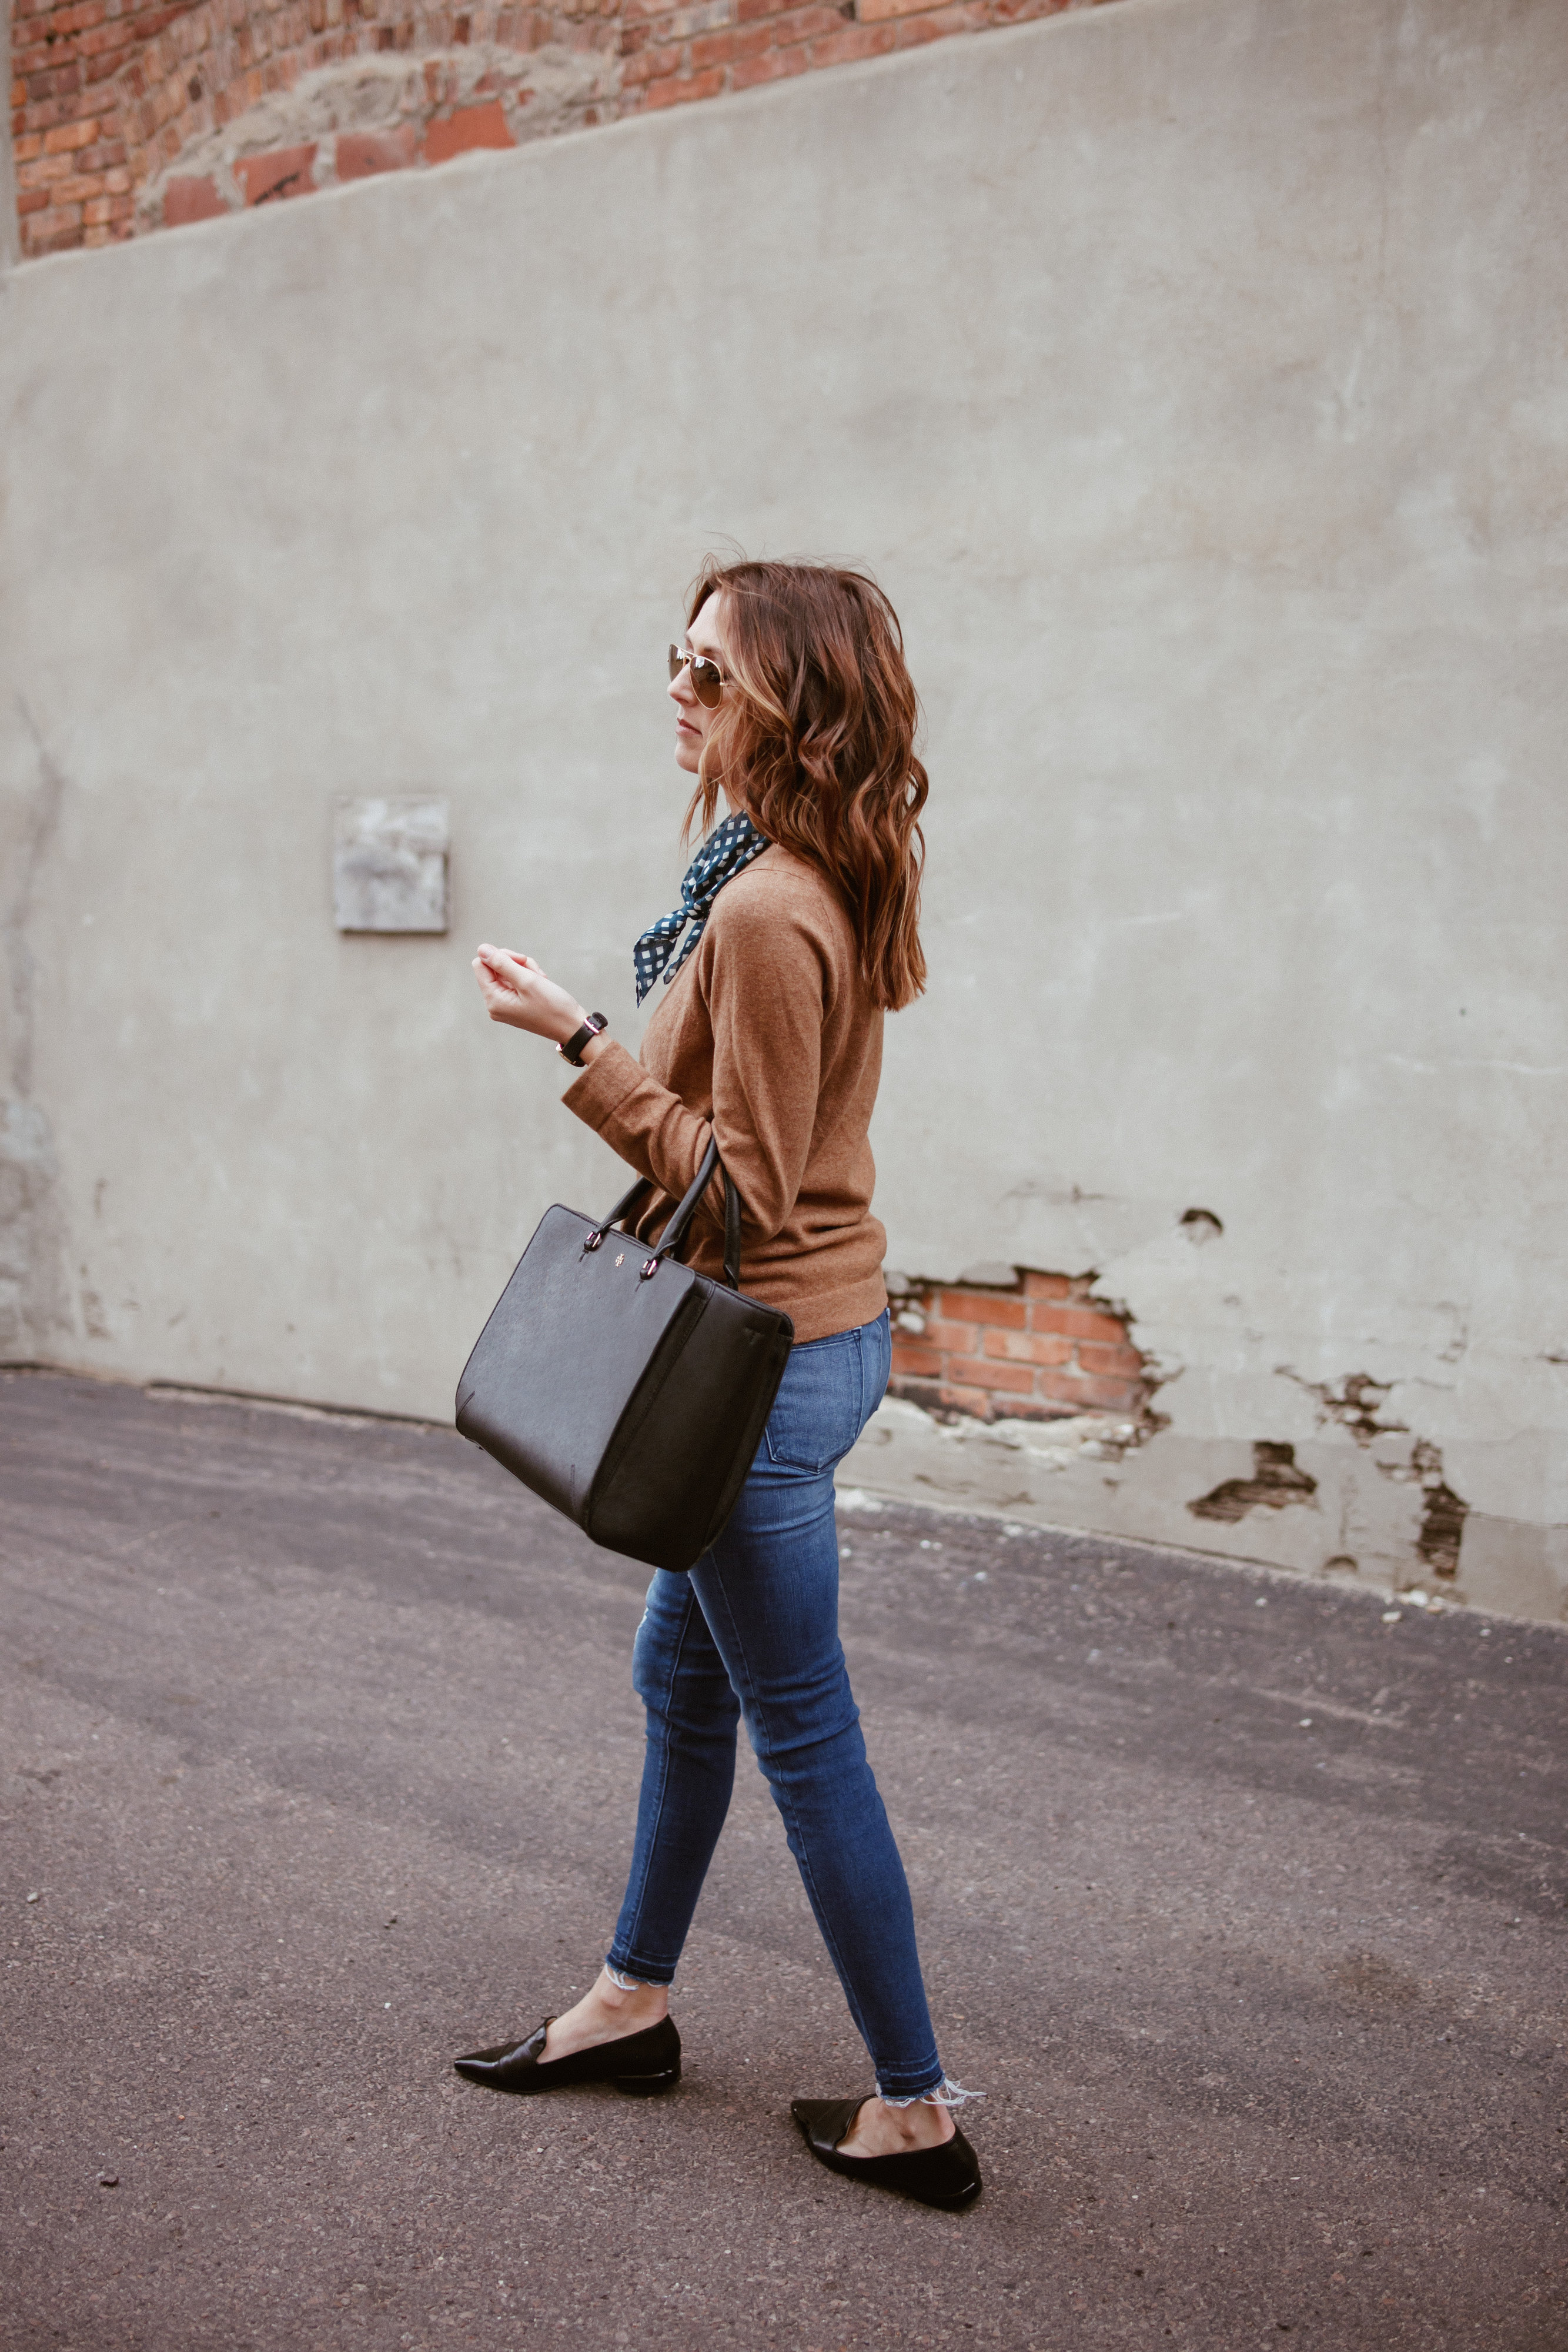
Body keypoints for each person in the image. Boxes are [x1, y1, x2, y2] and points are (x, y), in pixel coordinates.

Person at [456, 559, 981, 2211]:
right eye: (672, 658)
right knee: (682, 1688)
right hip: (817, 1344)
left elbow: (741, 1193)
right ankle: (630, 1999)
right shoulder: (782, 862)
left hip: (759, 1371)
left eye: (710, 673)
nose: (674, 691)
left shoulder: (761, 909)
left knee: (803, 1734)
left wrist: (574, 1044)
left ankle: (916, 2104)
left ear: (787, 710)